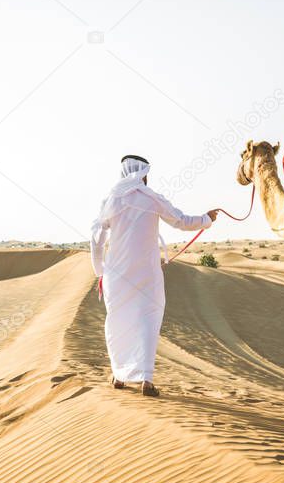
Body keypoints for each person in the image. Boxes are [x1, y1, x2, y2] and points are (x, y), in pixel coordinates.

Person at [90, 155, 217, 397]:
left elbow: (96, 239)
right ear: (143, 174)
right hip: (147, 273)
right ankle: (146, 379)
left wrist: (100, 270)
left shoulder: (111, 200)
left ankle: (119, 375)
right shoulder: (152, 199)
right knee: (148, 319)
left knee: (119, 321)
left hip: (116, 274)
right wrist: (207, 220)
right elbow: (181, 221)